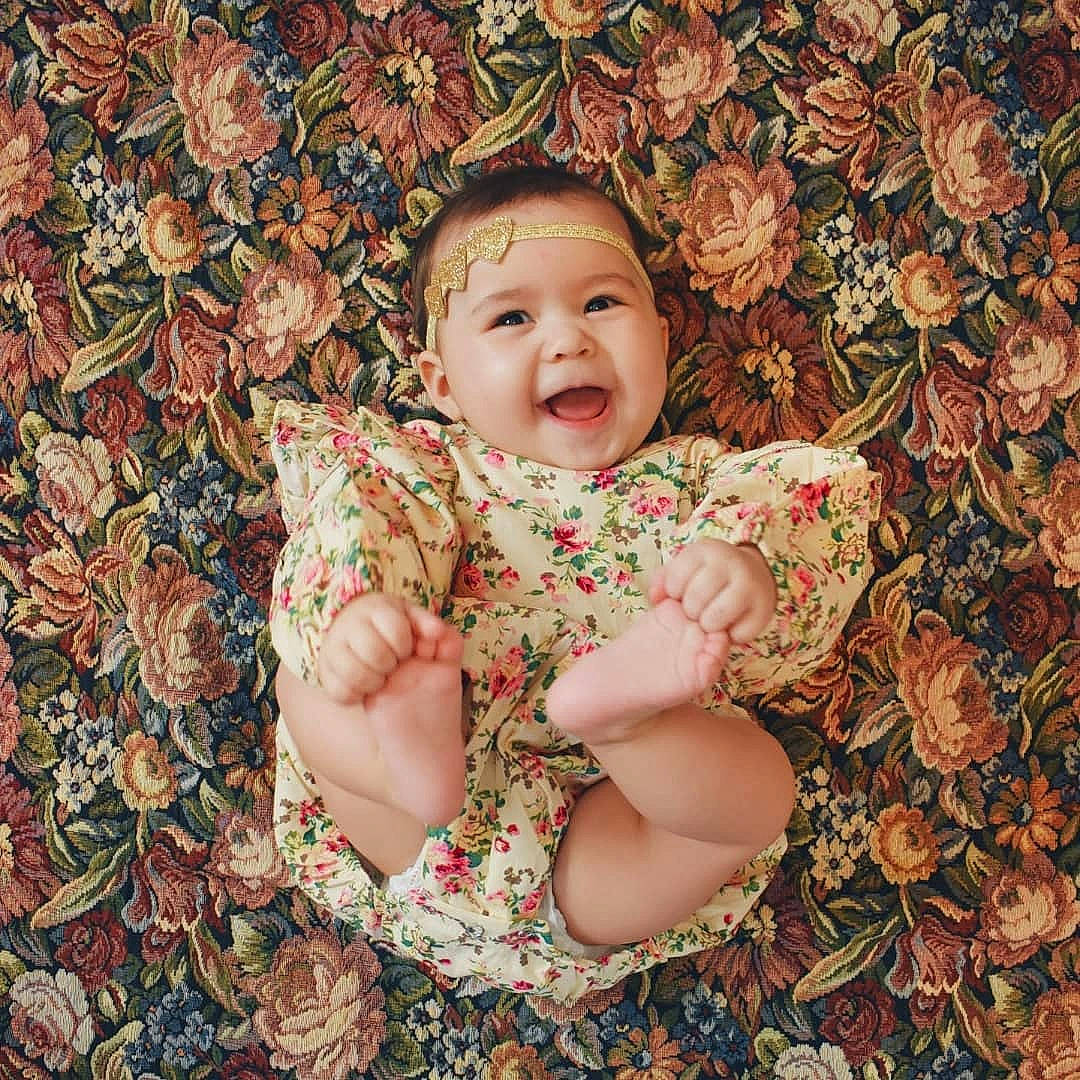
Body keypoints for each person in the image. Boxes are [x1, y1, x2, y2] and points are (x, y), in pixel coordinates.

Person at [268, 166, 880, 1002]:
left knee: (759, 791)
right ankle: (411, 754)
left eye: (602, 305)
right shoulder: (430, 475)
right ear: (441, 381)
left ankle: (623, 721)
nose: (568, 341)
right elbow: (364, 519)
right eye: (513, 317)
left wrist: (745, 571)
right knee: (309, 682)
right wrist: (364, 618)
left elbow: (793, 543)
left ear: (662, 339)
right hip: (417, 810)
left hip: (606, 832)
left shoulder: (701, 486)